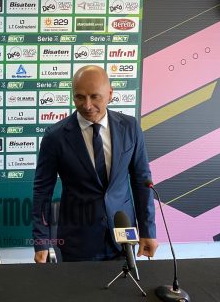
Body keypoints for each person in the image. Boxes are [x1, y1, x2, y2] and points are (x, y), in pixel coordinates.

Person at [32, 65, 157, 263]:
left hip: (123, 236)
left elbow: (142, 181)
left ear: (110, 94)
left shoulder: (130, 127)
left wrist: (148, 230)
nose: (87, 105)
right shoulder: (55, 137)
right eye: (80, 97)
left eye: (94, 97)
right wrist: (41, 240)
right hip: (78, 241)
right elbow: (42, 192)